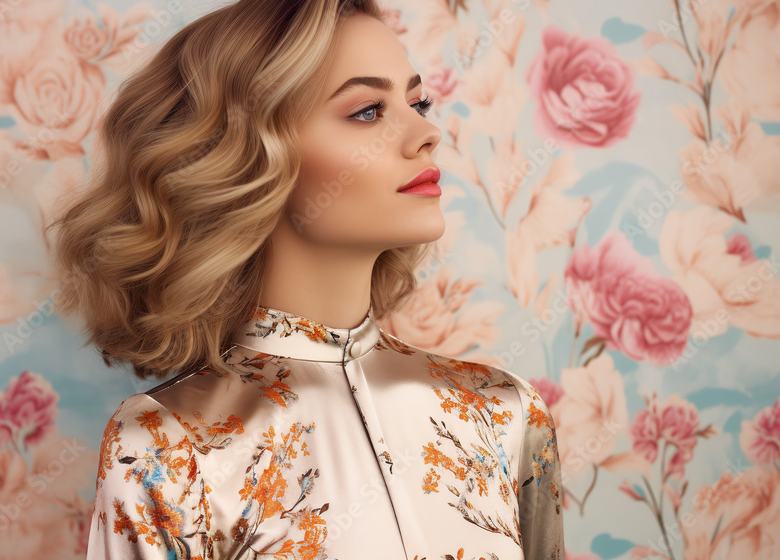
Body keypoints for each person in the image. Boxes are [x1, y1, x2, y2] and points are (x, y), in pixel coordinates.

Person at [45, 0, 564, 558]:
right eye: (367, 110)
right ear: (246, 155)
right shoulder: (167, 447)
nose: (426, 131)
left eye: (418, 101)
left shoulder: (504, 412)